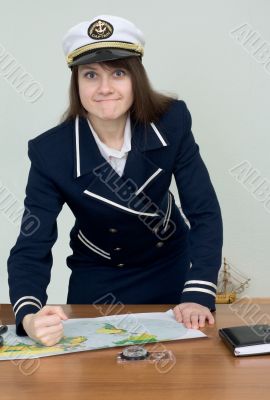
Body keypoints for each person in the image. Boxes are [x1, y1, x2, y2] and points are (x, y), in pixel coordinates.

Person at [7, 15, 223, 347]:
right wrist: (29, 316)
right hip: (98, 279)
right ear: (76, 83)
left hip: (169, 268)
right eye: (90, 75)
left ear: (136, 78)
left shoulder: (172, 121)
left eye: (118, 73)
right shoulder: (51, 152)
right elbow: (32, 245)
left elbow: (204, 210)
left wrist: (198, 291)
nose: (105, 88)